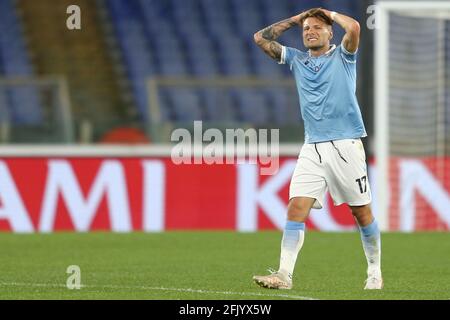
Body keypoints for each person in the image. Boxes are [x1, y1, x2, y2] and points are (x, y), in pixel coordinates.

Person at [252, 8, 382, 290]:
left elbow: (355, 28)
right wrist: (296, 20)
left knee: (361, 213)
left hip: (346, 144)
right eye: (306, 29)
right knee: (297, 206)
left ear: (329, 33)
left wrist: (330, 14)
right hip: (312, 147)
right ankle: (284, 275)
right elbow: (260, 38)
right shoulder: (297, 59)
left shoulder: (343, 56)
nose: (310, 31)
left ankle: (374, 270)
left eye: (316, 27)